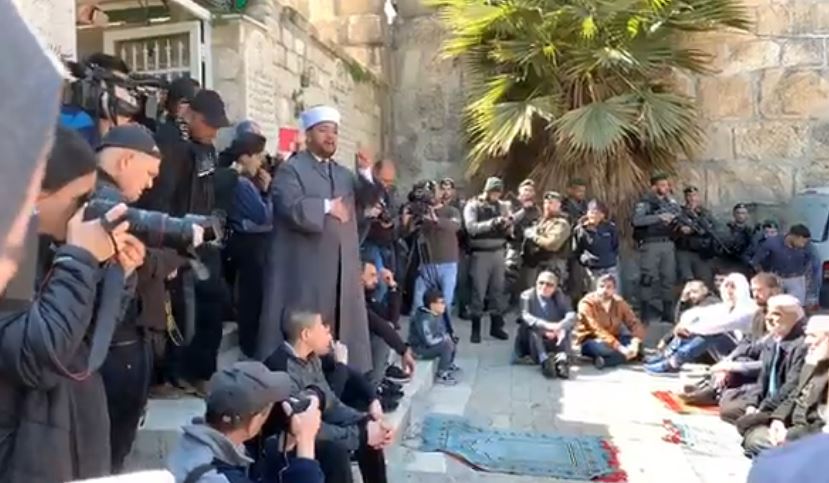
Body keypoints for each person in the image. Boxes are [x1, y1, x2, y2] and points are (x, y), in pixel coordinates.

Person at [0, 127, 141, 482]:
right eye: (79, 199)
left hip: (66, 441)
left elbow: (81, 352)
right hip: (22, 457)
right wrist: (79, 259)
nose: (84, 212)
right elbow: (37, 359)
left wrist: (114, 276)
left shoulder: (40, 243)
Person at [258, 106, 376, 371]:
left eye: (334, 131)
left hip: (342, 271)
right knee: (307, 337)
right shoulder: (292, 170)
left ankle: (342, 378)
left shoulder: (343, 174)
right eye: (323, 131)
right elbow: (288, 206)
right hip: (307, 272)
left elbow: (366, 203)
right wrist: (326, 207)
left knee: (342, 337)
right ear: (308, 135)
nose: (330, 137)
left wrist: (365, 173)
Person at [139, 88, 231, 395]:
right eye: (210, 124)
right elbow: (161, 197)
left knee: (210, 304)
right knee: (176, 310)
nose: (214, 132)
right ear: (191, 114)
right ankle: (169, 374)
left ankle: (200, 371)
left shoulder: (206, 148)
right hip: (176, 236)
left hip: (204, 237)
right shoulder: (171, 142)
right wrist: (165, 243)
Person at [93, 125, 166, 472]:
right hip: (108, 352)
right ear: (125, 161)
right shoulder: (99, 208)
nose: (150, 184)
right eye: (149, 173)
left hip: (120, 343)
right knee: (105, 455)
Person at [264, 312, 393, 483]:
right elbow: (303, 427)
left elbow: (331, 404)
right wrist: (360, 434)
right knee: (336, 451)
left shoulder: (312, 358)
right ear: (306, 334)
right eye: (323, 328)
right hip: (286, 440)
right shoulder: (282, 369)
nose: (330, 334)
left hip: (313, 425)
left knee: (368, 424)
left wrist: (366, 421)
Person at [166, 361, 324, 483]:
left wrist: (284, 449)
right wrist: (306, 441)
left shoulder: (191, 447)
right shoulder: (217, 478)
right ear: (254, 422)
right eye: (268, 409)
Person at [679, 274, 782, 416]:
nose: (756, 294)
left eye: (759, 290)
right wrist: (727, 362)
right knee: (734, 361)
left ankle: (717, 392)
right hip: (751, 359)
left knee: (729, 406)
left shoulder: (782, 315)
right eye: (753, 290)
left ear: (774, 291)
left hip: (766, 370)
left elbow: (769, 359)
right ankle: (713, 389)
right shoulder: (759, 314)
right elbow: (747, 343)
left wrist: (732, 366)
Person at [216, 120, 271, 359]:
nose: (259, 163)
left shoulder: (239, 179)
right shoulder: (240, 182)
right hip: (246, 244)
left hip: (239, 242)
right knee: (251, 297)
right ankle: (250, 345)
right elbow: (263, 215)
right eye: (257, 157)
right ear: (246, 156)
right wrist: (267, 192)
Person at [739, 314, 829, 458]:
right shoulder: (813, 361)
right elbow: (794, 394)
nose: (807, 342)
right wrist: (779, 419)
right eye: (807, 335)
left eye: (813, 336)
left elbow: (822, 424)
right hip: (792, 425)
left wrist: (789, 435)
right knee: (749, 427)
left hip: (810, 434)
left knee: (756, 439)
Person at [645, 273, 757, 374]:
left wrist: (688, 327)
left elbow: (717, 326)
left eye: (733, 287)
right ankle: (666, 356)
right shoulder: (725, 307)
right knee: (699, 325)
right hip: (724, 354)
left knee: (715, 332)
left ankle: (672, 362)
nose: (729, 291)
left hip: (744, 354)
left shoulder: (747, 308)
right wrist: (683, 324)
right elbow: (693, 314)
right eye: (726, 286)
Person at [733, 295, 808, 439]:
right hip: (768, 400)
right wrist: (753, 403)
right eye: (768, 312)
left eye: (776, 314)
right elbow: (763, 378)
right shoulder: (773, 339)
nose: (768, 318)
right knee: (730, 407)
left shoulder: (801, 345)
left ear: (793, 317)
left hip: (784, 406)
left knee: (746, 426)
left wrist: (764, 408)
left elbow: (791, 386)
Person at [462, 176, 512, 343]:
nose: (496, 195)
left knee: (498, 291)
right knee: (479, 291)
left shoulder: (502, 206)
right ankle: (475, 330)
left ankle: (496, 327)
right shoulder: (473, 205)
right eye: (494, 192)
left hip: (498, 252)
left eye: (499, 192)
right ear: (487, 191)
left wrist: (507, 225)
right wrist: (492, 223)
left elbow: (509, 230)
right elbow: (471, 228)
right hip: (480, 253)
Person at [410, 187, 462, 337]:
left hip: (448, 263)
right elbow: (409, 231)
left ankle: (444, 334)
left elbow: (455, 226)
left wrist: (436, 220)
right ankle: (416, 335)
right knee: (418, 299)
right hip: (427, 264)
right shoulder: (420, 213)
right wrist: (412, 218)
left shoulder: (451, 211)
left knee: (446, 300)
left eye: (434, 192)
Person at [361, 261, 416, 390]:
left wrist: (393, 287)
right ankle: (372, 388)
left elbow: (392, 319)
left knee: (389, 329)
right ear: (359, 276)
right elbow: (379, 325)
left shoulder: (368, 299)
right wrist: (403, 350)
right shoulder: (355, 300)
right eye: (372, 275)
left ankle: (381, 379)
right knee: (382, 338)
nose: (376, 280)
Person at [633, 173, 680, 323]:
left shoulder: (671, 202)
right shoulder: (645, 203)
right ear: (654, 187)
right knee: (647, 278)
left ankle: (668, 312)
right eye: (662, 185)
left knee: (668, 278)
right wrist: (659, 217)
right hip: (651, 243)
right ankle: (645, 313)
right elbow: (637, 221)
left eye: (667, 185)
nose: (666, 188)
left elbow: (678, 215)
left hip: (668, 243)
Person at [514, 271, 577, 378]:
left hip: (555, 333)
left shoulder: (560, 296)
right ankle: (544, 361)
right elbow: (526, 316)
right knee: (532, 328)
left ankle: (562, 361)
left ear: (555, 287)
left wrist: (560, 326)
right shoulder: (527, 296)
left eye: (549, 284)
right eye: (541, 283)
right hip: (533, 337)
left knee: (567, 327)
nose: (544, 287)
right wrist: (546, 327)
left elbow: (571, 314)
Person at [576, 274, 645, 369]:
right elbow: (596, 329)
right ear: (596, 288)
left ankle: (607, 361)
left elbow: (634, 322)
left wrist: (635, 342)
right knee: (602, 348)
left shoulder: (619, 302)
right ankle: (626, 357)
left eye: (609, 287)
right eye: (601, 286)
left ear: (614, 290)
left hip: (614, 337)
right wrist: (619, 347)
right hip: (592, 340)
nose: (604, 290)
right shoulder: (586, 303)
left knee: (638, 345)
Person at [753, 224, 820, 307]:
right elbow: (757, 261)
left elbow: (814, 265)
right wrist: (764, 277)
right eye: (802, 242)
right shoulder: (772, 243)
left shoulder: (808, 247)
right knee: (775, 306)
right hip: (776, 279)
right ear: (794, 236)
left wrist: (809, 286)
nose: (803, 245)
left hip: (796, 279)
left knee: (795, 306)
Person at [522, 191, 572, 293]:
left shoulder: (561, 223)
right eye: (546, 203)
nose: (548, 206)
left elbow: (552, 244)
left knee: (551, 294)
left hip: (552, 264)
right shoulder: (541, 221)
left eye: (552, 203)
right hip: (536, 263)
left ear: (559, 205)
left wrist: (534, 237)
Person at [408, 288, 460, 385]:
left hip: (429, 345)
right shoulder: (424, 319)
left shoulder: (437, 314)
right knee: (447, 344)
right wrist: (444, 338)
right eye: (441, 303)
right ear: (432, 305)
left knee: (451, 340)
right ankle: (441, 374)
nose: (444, 305)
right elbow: (428, 340)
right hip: (419, 349)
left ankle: (448, 363)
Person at [672, 186, 717, 288]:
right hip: (684, 251)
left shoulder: (705, 213)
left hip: (701, 252)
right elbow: (676, 228)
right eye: (689, 196)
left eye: (695, 195)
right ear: (685, 198)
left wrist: (695, 229)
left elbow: (713, 228)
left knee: (705, 281)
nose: (692, 198)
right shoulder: (680, 212)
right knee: (687, 280)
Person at [572, 199, 619, 290]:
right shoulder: (581, 229)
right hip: (592, 269)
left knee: (612, 293)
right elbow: (576, 250)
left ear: (603, 215)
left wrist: (611, 257)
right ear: (587, 213)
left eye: (598, 213)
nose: (594, 215)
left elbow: (615, 245)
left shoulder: (610, 228)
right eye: (592, 212)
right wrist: (586, 260)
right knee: (595, 294)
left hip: (610, 267)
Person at [719, 203, 754, 277]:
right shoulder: (727, 228)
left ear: (747, 215)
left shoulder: (750, 231)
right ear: (734, 214)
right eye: (738, 213)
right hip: (728, 262)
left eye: (743, 213)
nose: (740, 216)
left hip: (743, 263)